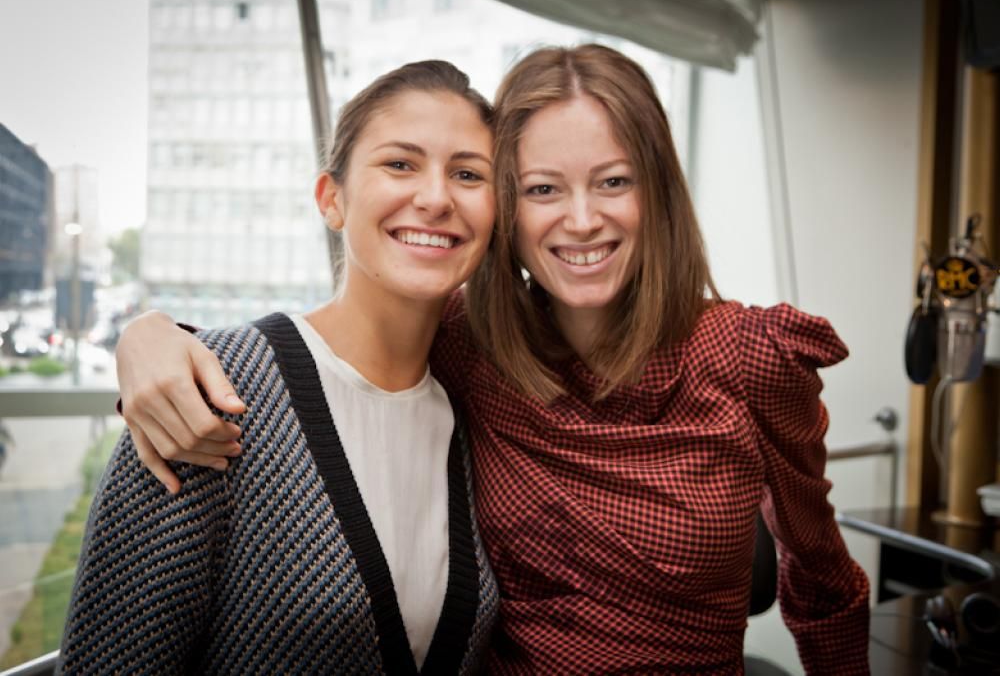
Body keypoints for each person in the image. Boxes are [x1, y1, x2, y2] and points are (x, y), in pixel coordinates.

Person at [111, 45, 870, 674]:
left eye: (614, 182)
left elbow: (824, 579)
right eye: (543, 188)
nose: (581, 219)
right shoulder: (473, 344)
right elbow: (336, 343)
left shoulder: (750, 358)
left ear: (658, 193)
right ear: (510, 208)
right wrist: (154, 336)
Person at [58, 60, 500, 675]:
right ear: (333, 200)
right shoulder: (209, 390)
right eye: (400, 163)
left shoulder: (474, 402)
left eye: (468, 173)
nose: (435, 197)